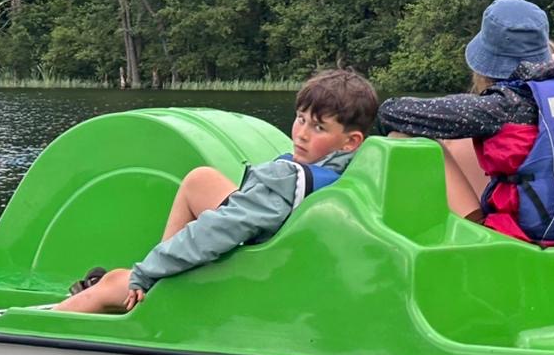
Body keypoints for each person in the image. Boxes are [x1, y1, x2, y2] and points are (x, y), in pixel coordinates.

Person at [50, 68, 379, 314]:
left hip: (248, 272)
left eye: (318, 127)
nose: (301, 134)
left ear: (350, 141)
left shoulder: (285, 181)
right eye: (300, 119)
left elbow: (215, 232)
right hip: (279, 246)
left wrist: (146, 272)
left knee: (112, 284)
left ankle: (141, 293)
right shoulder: (360, 167)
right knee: (200, 180)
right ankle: (161, 279)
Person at [377, 0, 554, 245]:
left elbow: (391, 111)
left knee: (406, 134)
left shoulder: (498, 107)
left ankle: (472, 232)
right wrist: (550, 67)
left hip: (515, 235)